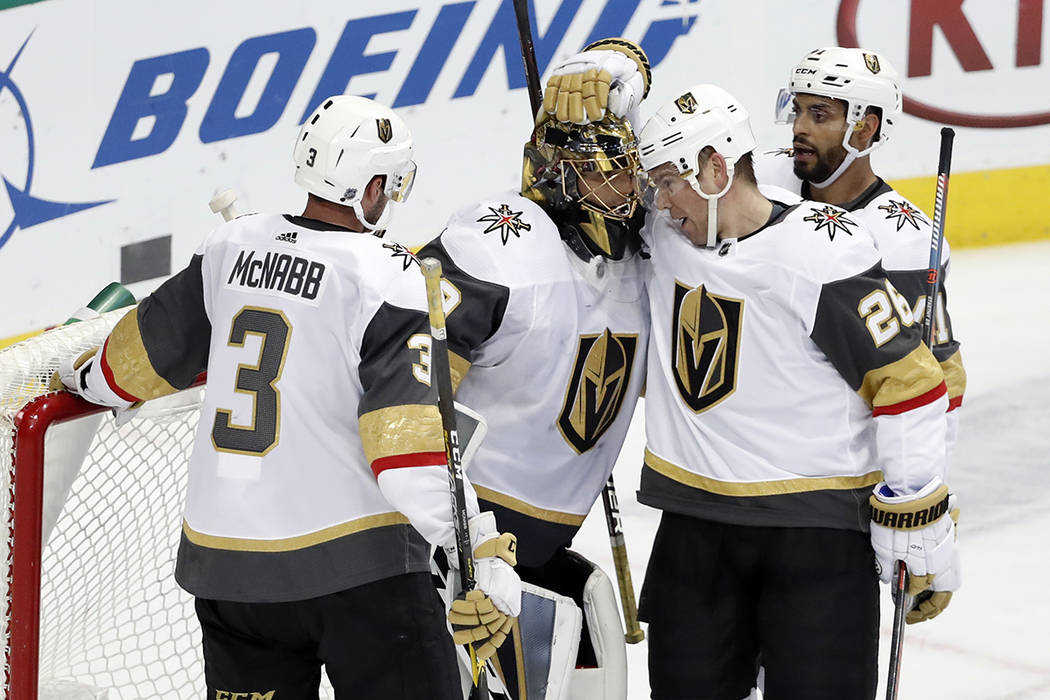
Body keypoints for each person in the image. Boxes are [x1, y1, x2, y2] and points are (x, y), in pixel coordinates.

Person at [56, 94, 521, 700]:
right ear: (373, 185)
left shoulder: (230, 248)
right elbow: (407, 457)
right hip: (359, 575)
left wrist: (79, 376)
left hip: (228, 572)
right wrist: (480, 546)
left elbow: (128, 365)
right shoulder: (391, 277)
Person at [631, 83, 960, 700]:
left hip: (817, 539)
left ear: (715, 168)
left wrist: (919, 514)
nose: (659, 199)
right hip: (695, 530)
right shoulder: (665, 235)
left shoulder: (818, 250)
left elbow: (910, 383)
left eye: (671, 180)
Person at [404, 38, 652, 700]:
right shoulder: (503, 241)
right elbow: (409, 377)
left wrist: (615, 68)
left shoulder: (648, 251)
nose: (630, 187)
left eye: (632, 169)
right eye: (609, 172)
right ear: (559, 174)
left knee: (591, 628)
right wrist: (457, 549)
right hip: (463, 551)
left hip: (539, 554)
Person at [756, 46, 966, 461]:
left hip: (834, 468)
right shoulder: (762, 180)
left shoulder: (904, 241)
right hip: (754, 442)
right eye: (797, 110)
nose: (799, 127)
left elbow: (933, 379)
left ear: (865, 128)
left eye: (819, 115)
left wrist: (918, 496)